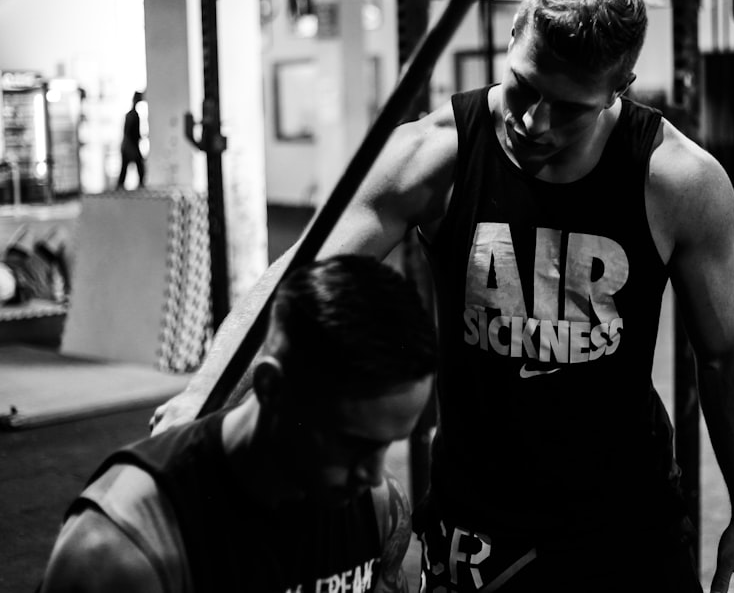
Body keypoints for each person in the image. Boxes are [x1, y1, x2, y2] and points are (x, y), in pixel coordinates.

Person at [153, 0, 734, 592]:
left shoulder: (678, 182)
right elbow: (298, 281)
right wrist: (203, 400)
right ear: (512, 37)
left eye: (569, 107)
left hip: (627, 519)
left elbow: (727, 351)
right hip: (477, 519)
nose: (534, 121)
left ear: (621, 86)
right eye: (524, 85)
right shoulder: (432, 154)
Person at [41, 254, 437, 593]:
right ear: (270, 388)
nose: (372, 474)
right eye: (353, 443)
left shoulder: (380, 508)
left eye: (388, 445)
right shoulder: (121, 548)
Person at [0, 224, 70, 306]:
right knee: (60, 234)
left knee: (28, 232)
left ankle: (42, 258)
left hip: (11, 265)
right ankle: (67, 289)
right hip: (27, 280)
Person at [117, 90, 145, 189]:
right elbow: (128, 133)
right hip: (129, 146)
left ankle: (120, 188)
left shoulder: (133, 114)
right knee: (135, 168)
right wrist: (131, 148)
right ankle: (120, 190)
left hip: (130, 145)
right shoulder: (132, 115)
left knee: (129, 169)